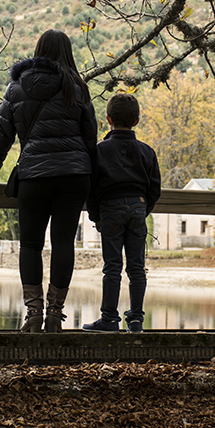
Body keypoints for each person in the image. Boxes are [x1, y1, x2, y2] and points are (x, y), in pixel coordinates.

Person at [0, 30, 97, 333]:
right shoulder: (77, 87)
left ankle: (33, 315)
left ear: (38, 51)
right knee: (63, 244)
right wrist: (93, 176)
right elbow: (90, 137)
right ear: (67, 52)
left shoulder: (17, 87)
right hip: (75, 176)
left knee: (30, 245)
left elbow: (2, 136)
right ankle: (54, 316)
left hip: (35, 175)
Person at [83, 93, 161, 333]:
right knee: (137, 267)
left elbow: (91, 189)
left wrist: (96, 216)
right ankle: (136, 320)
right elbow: (154, 188)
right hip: (138, 207)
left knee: (112, 266)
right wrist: (142, 209)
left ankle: (109, 319)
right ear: (137, 120)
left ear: (108, 119)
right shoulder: (147, 152)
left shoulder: (99, 151)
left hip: (110, 208)